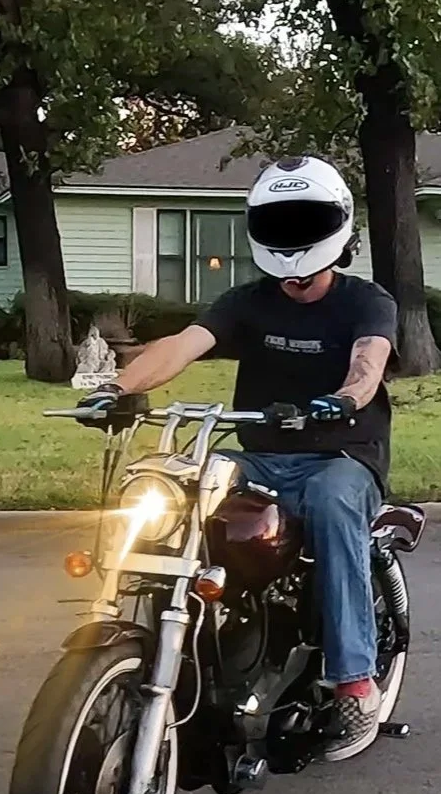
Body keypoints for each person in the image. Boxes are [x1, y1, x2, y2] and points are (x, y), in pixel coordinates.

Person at [76, 155, 398, 762]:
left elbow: (369, 362)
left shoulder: (366, 301)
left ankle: (356, 680)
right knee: (172, 483)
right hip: (263, 455)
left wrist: (338, 402)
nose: (293, 235)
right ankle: (160, 630)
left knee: (331, 504)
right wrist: (117, 390)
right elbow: (182, 346)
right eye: (280, 220)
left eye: (306, 219)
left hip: (342, 454)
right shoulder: (246, 301)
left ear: (338, 228)